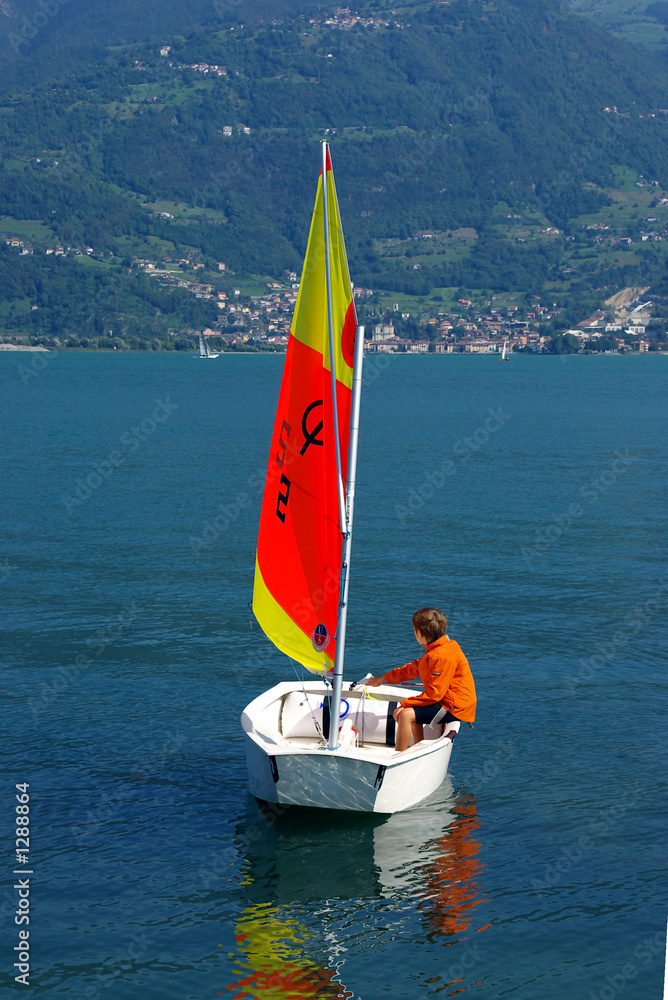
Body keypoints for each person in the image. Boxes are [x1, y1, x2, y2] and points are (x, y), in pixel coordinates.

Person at [365, 607, 476, 752]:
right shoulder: (439, 649)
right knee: (408, 711)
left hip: (455, 706)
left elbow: (435, 694)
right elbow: (414, 668)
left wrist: (405, 703)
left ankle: (399, 756)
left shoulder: (441, 657)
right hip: (446, 699)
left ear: (420, 633)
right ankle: (418, 748)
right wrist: (384, 678)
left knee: (405, 714)